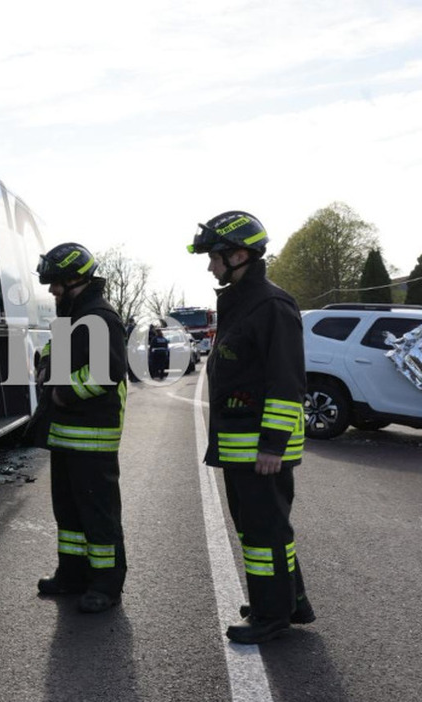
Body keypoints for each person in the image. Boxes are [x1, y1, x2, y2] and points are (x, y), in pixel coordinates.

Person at [188, 210, 314, 644]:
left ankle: (270, 616)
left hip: (262, 449)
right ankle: (287, 600)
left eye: (216, 257)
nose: (211, 265)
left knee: (264, 533)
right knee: (260, 528)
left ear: (240, 254)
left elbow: (287, 380)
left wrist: (273, 445)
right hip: (243, 445)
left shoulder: (271, 305)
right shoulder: (242, 302)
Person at [30, 242, 128, 613]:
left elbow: (106, 373)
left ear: (75, 278)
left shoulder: (100, 316)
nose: (52, 290)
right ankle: (71, 575)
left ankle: (106, 584)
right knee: (69, 515)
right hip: (68, 436)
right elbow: (58, 353)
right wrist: (45, 363)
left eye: (56, 283)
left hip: (92, 436)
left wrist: (61, 395)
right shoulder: (74, 315)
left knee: (98, 518)